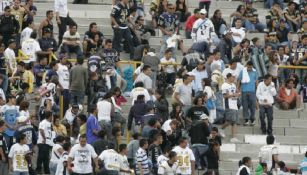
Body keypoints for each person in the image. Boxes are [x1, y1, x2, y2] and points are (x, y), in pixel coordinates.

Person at [220, 73, 240, 143]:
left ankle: (234, 137)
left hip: (235, 104)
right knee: (229, 120)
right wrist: (233, 94)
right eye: (233, 77)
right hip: (229, 105)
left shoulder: (233, 85)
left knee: (235, 121)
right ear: (229, 77)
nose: (234, 79)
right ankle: (221, 128)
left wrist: (237, 94)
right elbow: (225, 96)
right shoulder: (224, 85)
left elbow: (234, 94)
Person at [237, 61, 258, 126]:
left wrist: (257, 89)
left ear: (252, 66)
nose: (249, 68)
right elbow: (239, 80)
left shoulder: (255, 72)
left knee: (252, 106)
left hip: (252, 91)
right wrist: (237, 89)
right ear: (246, 66)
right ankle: (246, 120)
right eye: (248, 67)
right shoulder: (242, 71)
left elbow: (256, 81)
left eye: (250, 67)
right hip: (244, 91)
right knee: (245, 106)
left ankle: (252, 119)